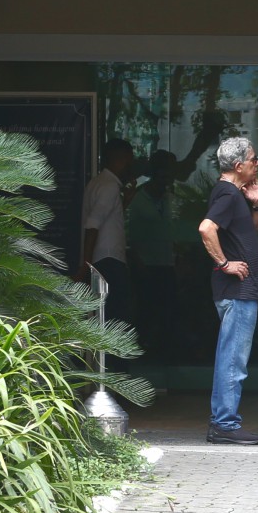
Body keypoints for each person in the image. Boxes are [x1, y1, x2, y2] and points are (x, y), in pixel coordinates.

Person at [197, 136, 258, 445]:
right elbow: (206, 228)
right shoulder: (227, 194)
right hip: (237, 291)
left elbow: (248, 234)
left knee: (233, 356)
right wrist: (225, 264)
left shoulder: (232, 194)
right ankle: (224, 423)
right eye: (253, 160)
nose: (257, 164)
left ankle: (223, 421)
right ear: (238, 166)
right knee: (233, 359)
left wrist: (257, 204)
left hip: (241, 291)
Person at [76, 138, 138, 363]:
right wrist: (85, 265)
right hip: (108, 260)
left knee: (107, 317)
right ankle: (114, 373)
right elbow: (93, 224)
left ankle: (108, 370)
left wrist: (125, 202)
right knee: (116, 319)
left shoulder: (98, 183)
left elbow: (106, 219)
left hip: (102, 258)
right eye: (130, 160)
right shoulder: (110, 187)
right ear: (121, 160)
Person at [125, 149, 177, 363]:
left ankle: (163, 355)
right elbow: (127, 232)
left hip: (167, 263)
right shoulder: (138, 198)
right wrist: (136, 260)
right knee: (145, 311)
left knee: (167, 312)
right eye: (164, 174)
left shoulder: (169, 198)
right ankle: (140, 355)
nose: (168, 179)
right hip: (144, 265)